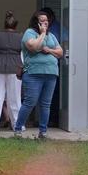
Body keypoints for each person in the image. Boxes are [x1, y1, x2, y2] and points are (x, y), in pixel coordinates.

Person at [14, 9, 63, 139]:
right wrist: (42, 34)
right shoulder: (29, 33)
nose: (45, 23)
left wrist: (49, 50)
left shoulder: (51, 36)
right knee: (30, 102)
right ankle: (18, 128)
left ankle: (43, 131)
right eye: (42, 21)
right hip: (33, 73)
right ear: (36, 22)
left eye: (46, 21)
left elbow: (60, 52)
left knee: (46, 104)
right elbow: (34, 47)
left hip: (51, 74)